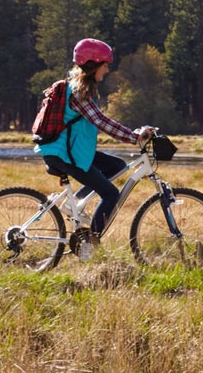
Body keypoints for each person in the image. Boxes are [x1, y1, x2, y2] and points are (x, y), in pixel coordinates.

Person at [32, 38, 157, 257]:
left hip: (70, 151)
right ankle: (88, 247)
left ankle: (76, 204)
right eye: (105, 65)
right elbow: (101, 121)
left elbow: (98, 121)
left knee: (116, 166)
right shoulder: (79, 91)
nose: (107, 70)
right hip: (64, 154)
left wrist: (133, 134)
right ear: (93, 65)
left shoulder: (80, 87)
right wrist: (134, 136)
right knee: (110, 194)